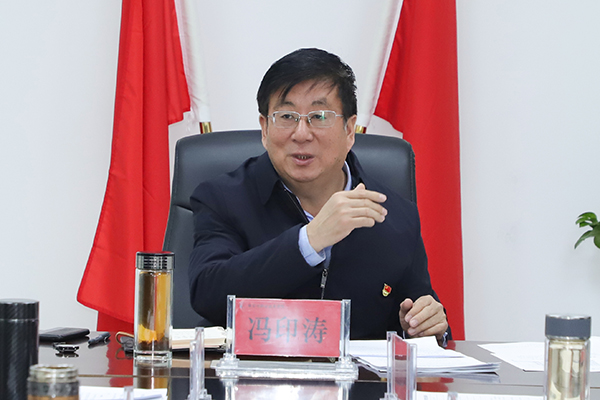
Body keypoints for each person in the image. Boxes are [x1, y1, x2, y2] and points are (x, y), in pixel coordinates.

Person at [189, 48, 449, 342]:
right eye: (287, 116)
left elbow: (422, 316)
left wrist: (428, 325)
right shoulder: (222, 198)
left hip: (360, 373)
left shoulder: (396, 215)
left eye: (319, 116)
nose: (301, 134)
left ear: (349, 130)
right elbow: (207, 294)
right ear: (264, 129)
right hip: (254, 370)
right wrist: (310, 240)